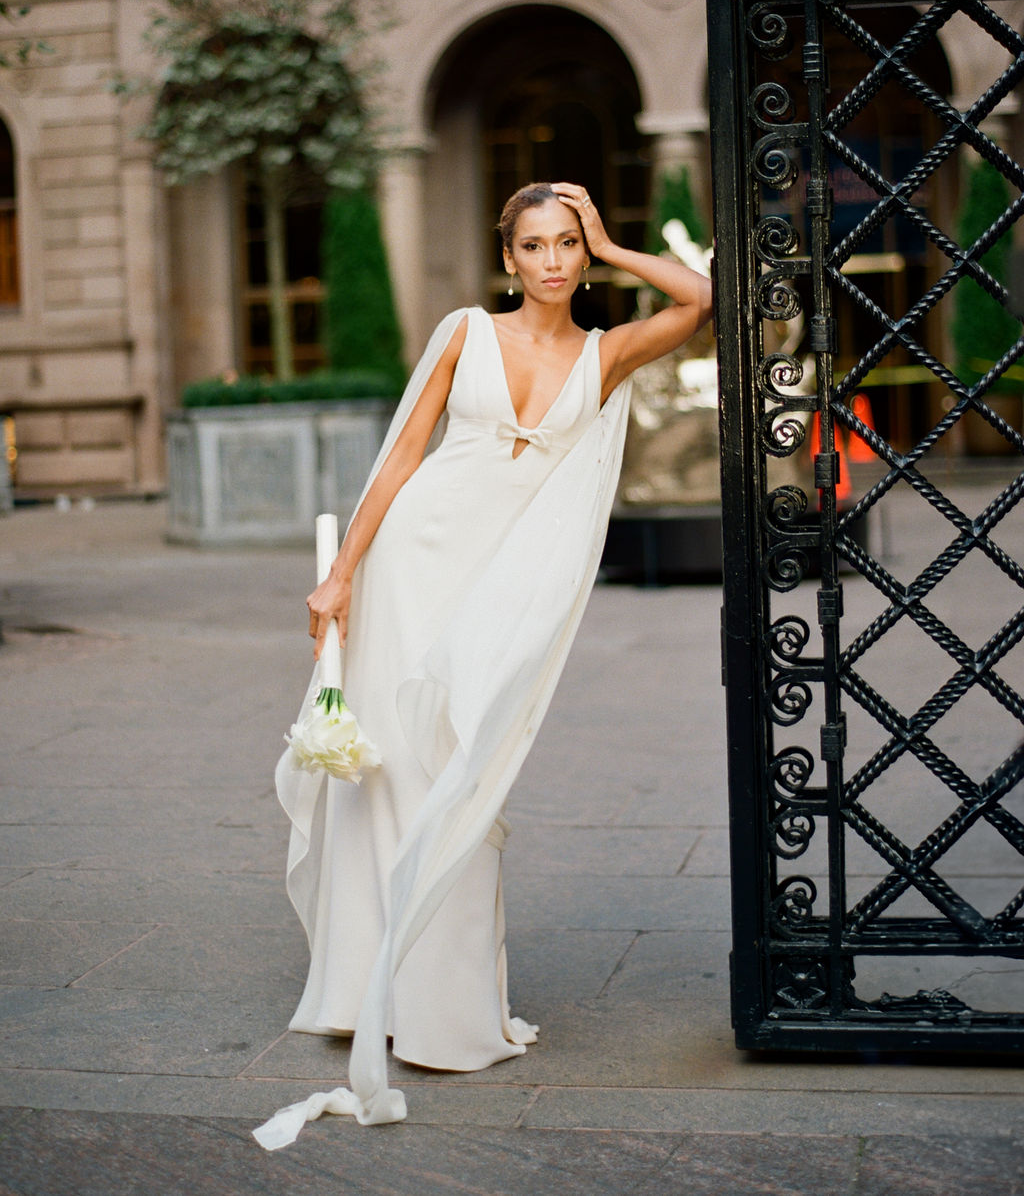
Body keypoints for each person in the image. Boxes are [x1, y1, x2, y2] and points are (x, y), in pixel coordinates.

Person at [253, 181, 713, 1148]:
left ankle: (448, 1005)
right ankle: (368, 992)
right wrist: (341, 575)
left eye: (567, 244)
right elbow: (401, 456)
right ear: (508, 258)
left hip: (504, 591)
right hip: (411, 568)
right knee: (392, 774)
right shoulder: (465, 331)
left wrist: (614, 242)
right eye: (534, 245)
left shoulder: (607, 352)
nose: (552, 261)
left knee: (468, 776)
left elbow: (700, 300)